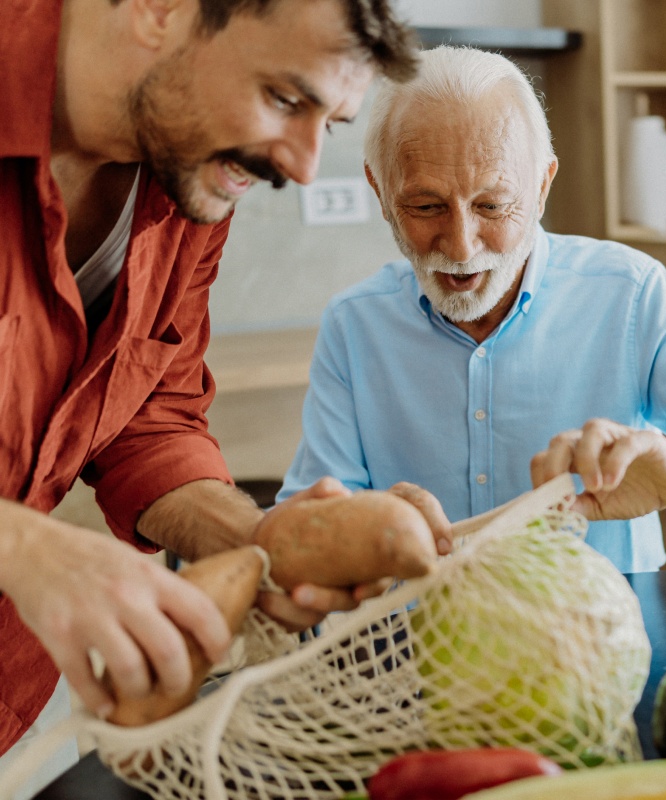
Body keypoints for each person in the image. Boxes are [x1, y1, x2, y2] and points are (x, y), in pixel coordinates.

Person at [0, 0, 450, 784]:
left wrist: (254, 537)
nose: (306, 166)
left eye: (331, 123)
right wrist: (26, 547)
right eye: (285, 97)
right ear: (158, 10)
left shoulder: (190, 164)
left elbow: (150, 413)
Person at [277, 45, 666, 574]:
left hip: (604, 647)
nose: (462, 246)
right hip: (422, 654)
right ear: (380, 190)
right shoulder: (355, 326)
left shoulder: (628, 293)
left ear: (541, 188)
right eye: (425, 206)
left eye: (492, 205)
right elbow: (301, 531)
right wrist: (355, 528)